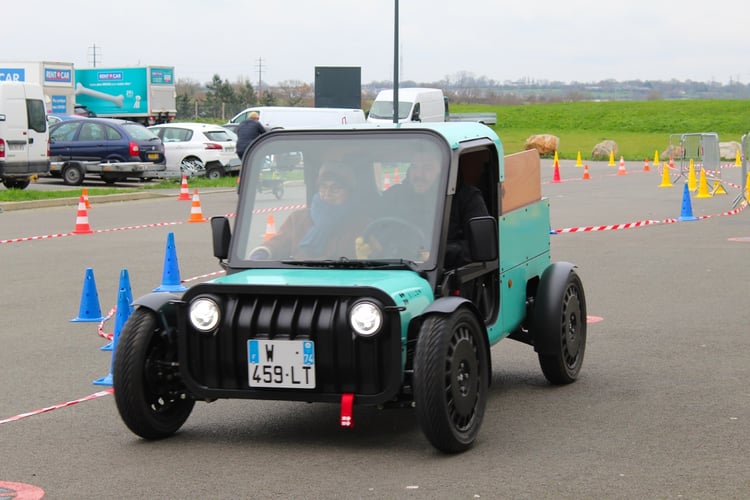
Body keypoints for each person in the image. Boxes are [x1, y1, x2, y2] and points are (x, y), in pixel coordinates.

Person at [378, 148, 490, 267]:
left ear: (444, 171)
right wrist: (371, 246)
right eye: (415, 167)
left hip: (444, 275)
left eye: (428, 168)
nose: (419, 174)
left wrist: (438, 253)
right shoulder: (394, 196)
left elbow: (481, 246)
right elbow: (376, 230)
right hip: (393, 269)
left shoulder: (467, 197)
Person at [250, 162, 366, 260]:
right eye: (323, 187)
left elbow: (375, 255)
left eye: (335, 188)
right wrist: (263, 252)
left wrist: (368, 255)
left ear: (349, 192)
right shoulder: (298, 218)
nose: (327, 193)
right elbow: (278, 243)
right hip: (303, 283)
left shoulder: (361, 223)